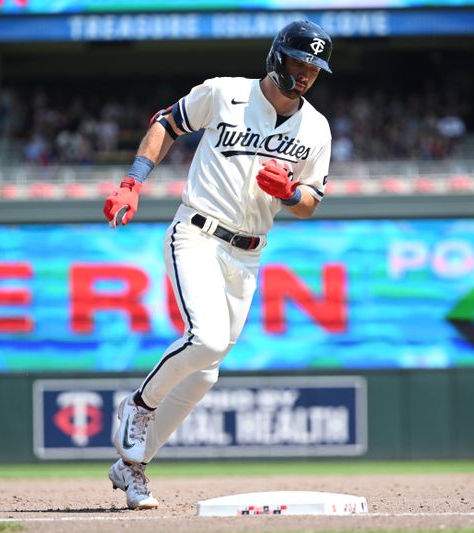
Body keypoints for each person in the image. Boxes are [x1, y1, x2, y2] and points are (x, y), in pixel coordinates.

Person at [101, 19, 333, 510]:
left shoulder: (316, 127)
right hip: (198, 233)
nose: (307, 73)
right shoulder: (224, 92)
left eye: (315, 66)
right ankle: (139, 406)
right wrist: (133, 181)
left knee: (205, 373)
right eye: (299, 60)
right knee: (204, 339)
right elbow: (166, 122)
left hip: (248, 254)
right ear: (277, 55)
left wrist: (291, 193)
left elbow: (312, 198)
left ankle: (132, 467)